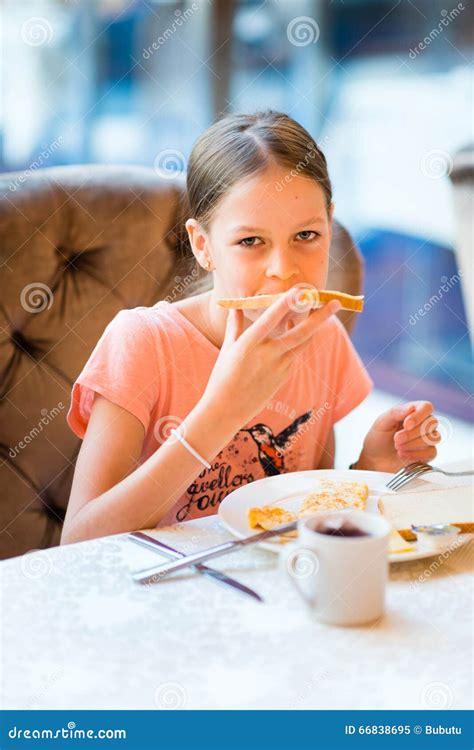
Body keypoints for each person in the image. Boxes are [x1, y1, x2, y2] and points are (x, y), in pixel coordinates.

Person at [61, 111, 440, 544]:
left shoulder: (323, 339)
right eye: (250, 242)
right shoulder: (143, 343)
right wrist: (222, 412)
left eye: (306, 236)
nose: (283, 270)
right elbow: (77, 542)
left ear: (330, 226)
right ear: (203, 245)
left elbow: (305, 512)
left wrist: (370, 468)